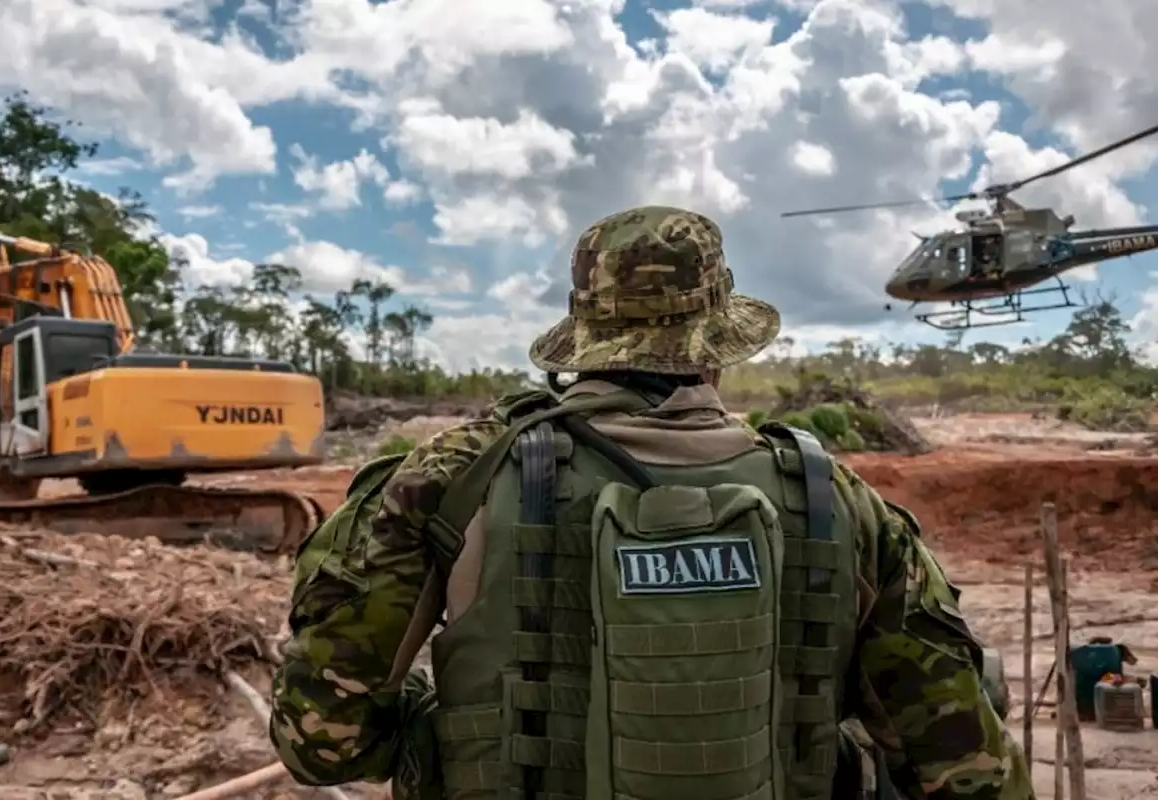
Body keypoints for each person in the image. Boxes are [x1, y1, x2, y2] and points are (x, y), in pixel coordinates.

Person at [269, 205, 1035, 800]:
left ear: (584, 333)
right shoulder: (837, 500)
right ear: (717, 343)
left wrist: (455, 731)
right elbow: (963, 767)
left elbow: (322, 742)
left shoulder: (450, 481)